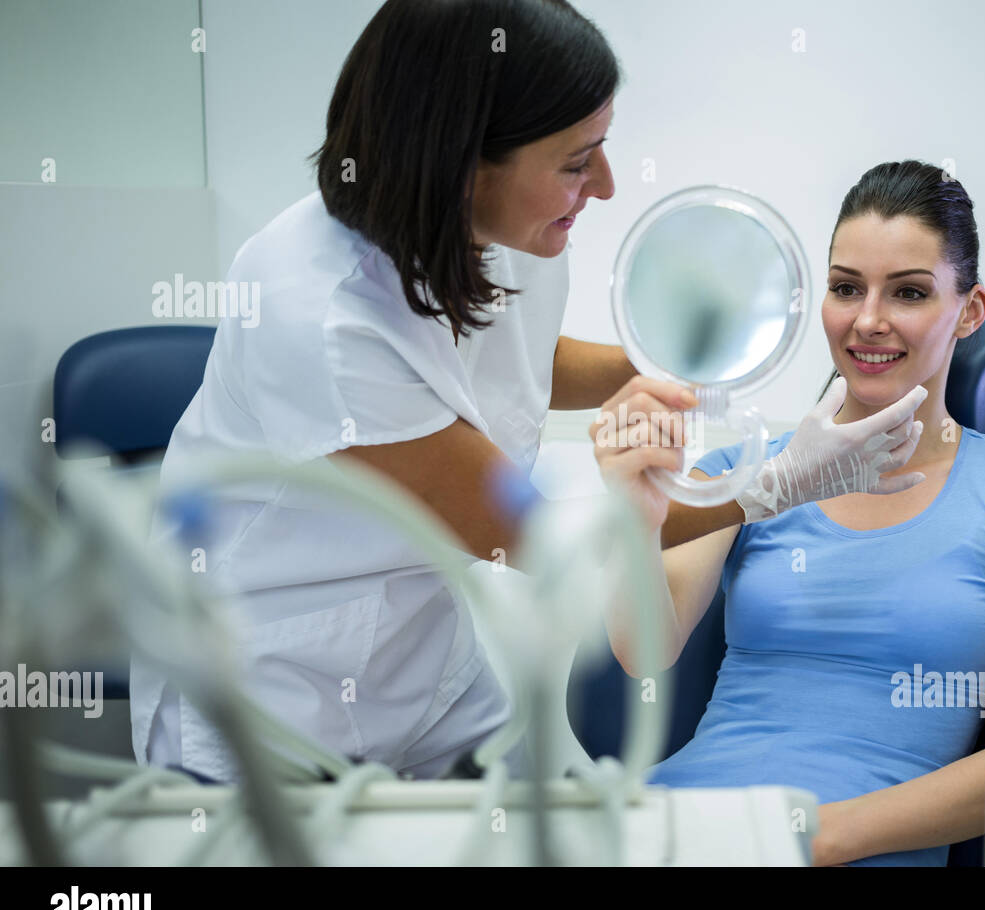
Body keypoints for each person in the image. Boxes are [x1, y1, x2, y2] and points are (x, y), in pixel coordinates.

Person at [131, 0, 926, 785]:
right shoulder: (322, 321)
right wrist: (782, 483)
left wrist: (653, 360)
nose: (607, 186)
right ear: (461, 163)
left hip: (424, 663)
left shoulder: (506, 229)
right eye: (578, 162)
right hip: (272, 695)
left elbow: (517, 362)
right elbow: (532, 537)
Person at [596, 160, 985, 866]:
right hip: (680, 830)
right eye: (845, 288)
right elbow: (645, 652)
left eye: (909, 292)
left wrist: (813, 834)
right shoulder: (749, 473)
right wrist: (636, 519)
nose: (868, 320)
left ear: (971, 310)